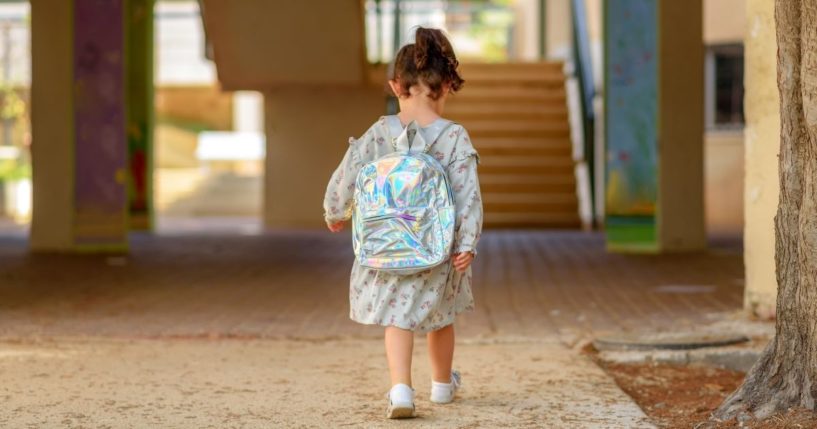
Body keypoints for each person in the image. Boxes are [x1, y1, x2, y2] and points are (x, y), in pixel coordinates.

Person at [323, 26, 483, 419]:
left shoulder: (379, 133)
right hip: (436, 250)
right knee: (439, 318)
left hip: (387, 247)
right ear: (446, 85)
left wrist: (334, 211)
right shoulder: (454, 137)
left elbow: (348, 174)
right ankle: (443, 386)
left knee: (398, 318)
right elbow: (467, 194)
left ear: (396, 86)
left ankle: (400, 391)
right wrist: (466, 243)